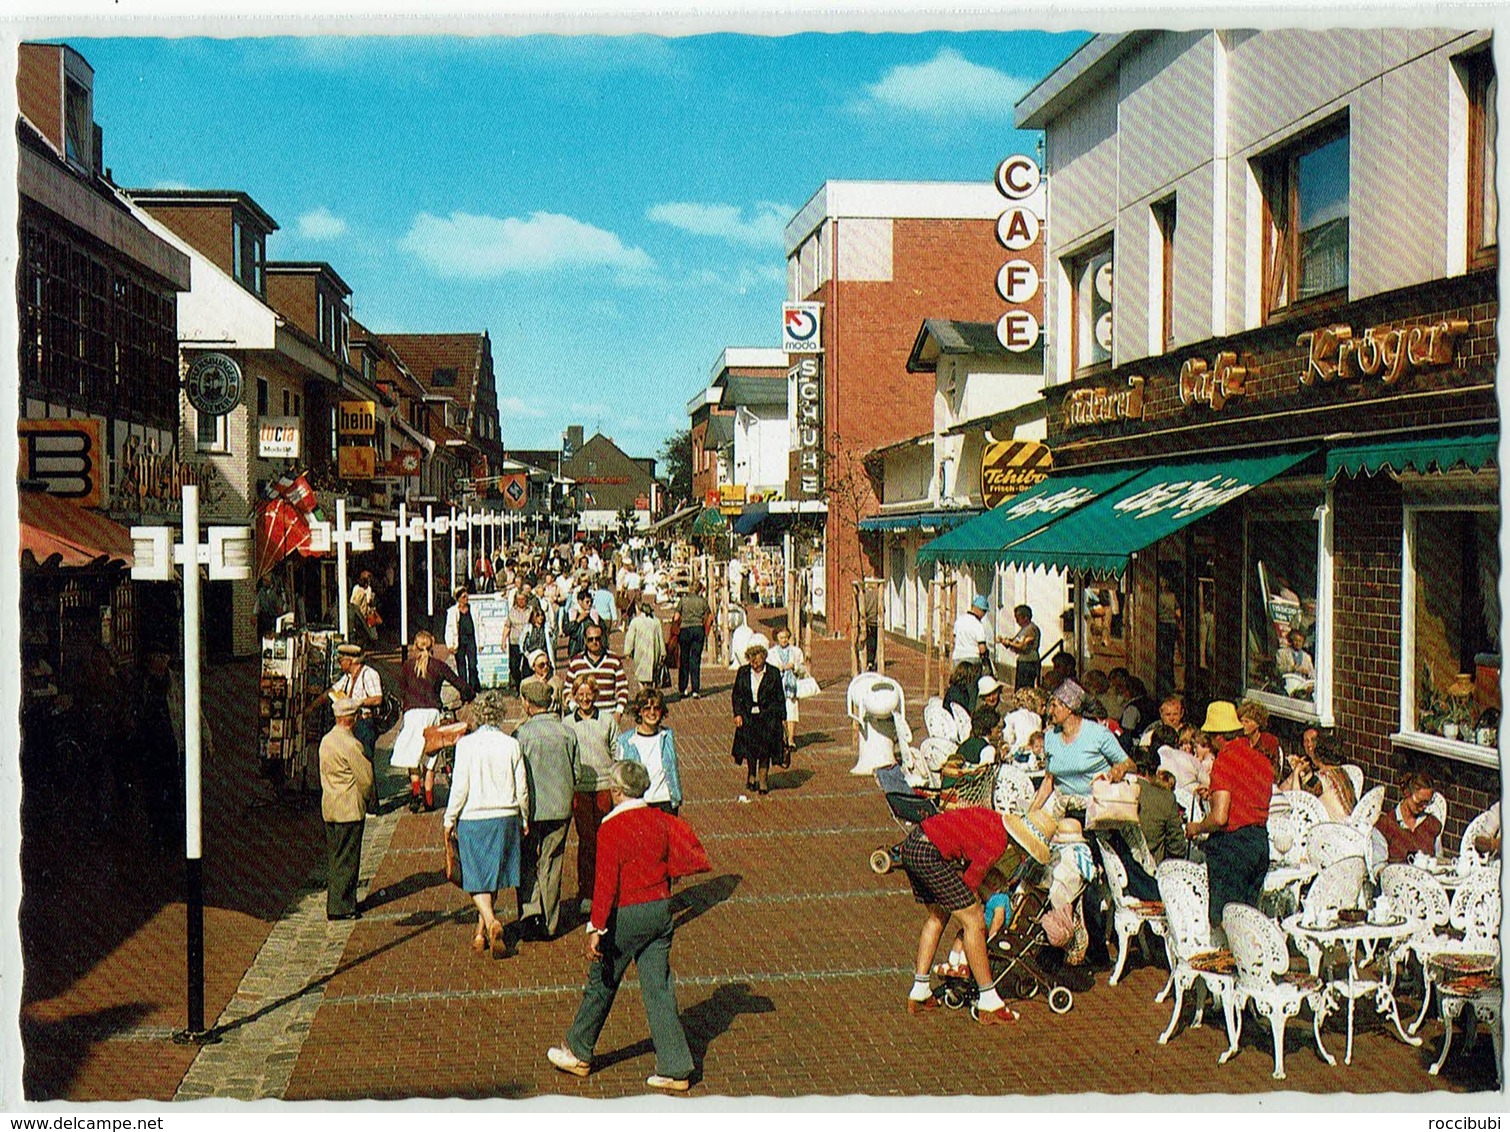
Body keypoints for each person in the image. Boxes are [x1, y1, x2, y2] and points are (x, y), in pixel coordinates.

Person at [546, 760, 705, 1093]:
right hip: (660, 909)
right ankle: (676, 1067)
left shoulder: (611, 827)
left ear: (617, 791)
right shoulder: (661, 820)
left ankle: (578, 1049)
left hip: (626, 914)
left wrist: (595, 928)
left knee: (602, 982)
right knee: (658, 989)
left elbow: (605, 884)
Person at [899, 805, 1018, 1024]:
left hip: (913, 844)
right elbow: (970, 881)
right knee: (974, 920)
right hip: (930, 854)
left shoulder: (990, 817)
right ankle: (988, 998)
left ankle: (920, 989)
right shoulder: (998, 843)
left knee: (938, 916)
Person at [444, 690, 529, 958]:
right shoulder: (511, 744)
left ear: (477, 715)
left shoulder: (466, 745)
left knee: (475, 877)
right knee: (492, 874)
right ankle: (480, 934)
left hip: (474, 816)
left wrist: (450, 818)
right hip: (505, 815)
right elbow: (522, 787)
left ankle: (491, 921)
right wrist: (524, 816)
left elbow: (460, 786)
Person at [1182, 701, 1273, 929]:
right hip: (1260, 841)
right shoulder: (1262, 760)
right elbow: (1248, 795)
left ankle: (1230, 962)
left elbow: (1220, 817)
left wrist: (1197, 827)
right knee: (1248, 918)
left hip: (1233, 846)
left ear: (1218, 736)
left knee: (1226, 920)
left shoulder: (1225, 761)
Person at [514, 680, 581, 940]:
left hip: (531, 809)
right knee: (552, 862)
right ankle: (550, 922)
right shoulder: (567, 733)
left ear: (528, 704)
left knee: (528, 860)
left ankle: (530, 913)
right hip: (560, 807)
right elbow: (576, 772)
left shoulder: (521, 735)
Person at [391, 630, 473, 813]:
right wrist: (468, 694)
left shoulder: (407, 666)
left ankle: (415, 793)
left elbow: (401, 689)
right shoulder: (438, 666)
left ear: (415, 646)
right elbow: (458, 682)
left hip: (412, 713)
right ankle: (429, 798)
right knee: (431, 755)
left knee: (413, 755)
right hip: (432, 713)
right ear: (433, 646)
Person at [1029, 680, 1136, 818]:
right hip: (1063, 810)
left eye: (1054, 706)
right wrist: (1030, 814)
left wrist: (1120, 768)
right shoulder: (1050, 737)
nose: (1050, 711)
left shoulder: (1098, 734)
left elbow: (1130, 764)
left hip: (1097, 810)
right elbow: (1049, 780)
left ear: (1069, 708)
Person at [567, 674, 618, 916]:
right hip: (579, 788)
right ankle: (586, 891)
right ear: (574, 696)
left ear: (596, 695)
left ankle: (608, 890)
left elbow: (617, 751)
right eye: (580, 694)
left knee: (606, 839)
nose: (585, 698)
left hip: (604, 786)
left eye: (589, 694)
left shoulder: (607, 720)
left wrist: (617, 783)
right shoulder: (567, 723)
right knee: (587, 841)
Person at [320, 695, 374, 921]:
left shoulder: (326, 741)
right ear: (351, 719)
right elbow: (366, 779)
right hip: (348, 808)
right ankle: (343, 906)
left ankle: (336, 900)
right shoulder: (351, 745)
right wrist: (366, 799)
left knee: (335, 857)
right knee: (348, 859)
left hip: (330, 805)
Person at [731, 635, 786, 796]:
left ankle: (763, 779)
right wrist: (738, 714)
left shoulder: (773, 673)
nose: (755, 663)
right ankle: (751, 774)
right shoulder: (743, 673)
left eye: (758, 660)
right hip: (748, 716)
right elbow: (737, 695)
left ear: (763, 657)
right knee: (750, 750)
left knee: (765, 750)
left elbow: (779, 697)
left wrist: (781, 718)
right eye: (751, 660)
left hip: (767, 718)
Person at [330, 644, 383, 811]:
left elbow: (377, 698)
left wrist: (357, 702)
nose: (339, 664)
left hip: (364, 723)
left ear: (351, 660)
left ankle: (373, 806)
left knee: (365, 760)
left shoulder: (369, 674)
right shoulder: (347, 677)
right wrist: (312, 706)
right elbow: (332, 691)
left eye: (341, 660)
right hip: (350, 724)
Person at [617, 687, 683, 814]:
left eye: (656, 708)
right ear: (640, 712)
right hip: (640, 802)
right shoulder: (626, 741)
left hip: (665, 801)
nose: (652, 712)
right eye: (647, 708)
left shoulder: (667, 735)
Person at [1277, 730, 1356, 821]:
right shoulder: (1340, 772)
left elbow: (1297, 802)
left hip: (1332, 829)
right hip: (1350, 825)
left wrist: (1296, 772)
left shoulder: (1321, 779)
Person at [566, 622, 630, 727]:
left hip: (608, 716)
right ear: (585, 641)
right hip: (583, 719)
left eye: (598, 638)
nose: (594, 642)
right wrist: (575, 709)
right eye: (590, 639)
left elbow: (623, 688)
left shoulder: (614, 660)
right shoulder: (576, 662)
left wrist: (619, 712)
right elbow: (567, 690)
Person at [1374, 772, 1443, 862]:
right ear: (1407, 793)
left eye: (1427, 803)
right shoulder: (1385, 826)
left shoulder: (1432, 825)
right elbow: (1378, 866)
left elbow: (1438, 860)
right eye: (1420, 802)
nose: (1424, 807)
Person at [769, 625, 807, 755]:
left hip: (791, 687)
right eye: (781, 637)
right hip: (778, 687)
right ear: (776, 638)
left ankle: (791, 739)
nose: (784, 640)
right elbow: (768, 670)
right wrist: (777, 668)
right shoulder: (771, 653)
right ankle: (781, 738)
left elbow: (803, 669)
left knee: (792, 711)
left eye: (786, 637)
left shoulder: (796, 652)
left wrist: (794, 666)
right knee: (780, 713)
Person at [675, 580, 710, 699]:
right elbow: (708, 616)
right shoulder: (702, 601)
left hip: (685, 629)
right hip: (698, 629)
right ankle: (695, 689)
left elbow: (676, 616)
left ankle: (683, 688)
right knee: (695, 659)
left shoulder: (683, 600)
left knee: (684, 659)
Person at [622, 600, 665, 691]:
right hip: (654, 651)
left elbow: (630, 638)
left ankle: (642, 692)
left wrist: (627, 651)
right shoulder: (656, 621)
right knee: (652, 674)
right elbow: (660, 637)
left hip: (640, 651)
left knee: (640, 674)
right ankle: (650, 693)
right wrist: (663, 652)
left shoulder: (635, 621)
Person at [444, 588, 480, 693]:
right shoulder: (452, 612)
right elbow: (449, 628)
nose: (466, 598)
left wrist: (481, 641)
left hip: (471, 640)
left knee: (473, 665)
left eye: (467, 596)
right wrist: (450, 644)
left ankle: (473, 688)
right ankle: (464, 690)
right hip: (459, 641)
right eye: (464, 597)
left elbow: (480, 625)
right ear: (458, 599)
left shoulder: (473, 609)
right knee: (461, 666)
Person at [1000, 604, 1041, 690]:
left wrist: (1010, 643)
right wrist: (1005, 641)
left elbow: (1023, 645)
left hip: (1029, 662)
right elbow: (1015, 642)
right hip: (1022, 661)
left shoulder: (1031, 629)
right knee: (1019, 689)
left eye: (1018, 618)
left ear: (1025, 617)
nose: (1017, 621)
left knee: (1026, 689)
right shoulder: (1023, 629)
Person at [1236, 700, 1282, 772]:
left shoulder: (1269, 741)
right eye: (1241, 721)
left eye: (1247, 722)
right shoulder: (1239, 741)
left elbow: (1272, 768)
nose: (1243, 725)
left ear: (1258, 723)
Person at [503, 587, 534, 695]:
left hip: (527, 643)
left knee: (527, 668)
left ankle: (525, 689)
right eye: (519, 599)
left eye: (523, 599)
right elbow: (507, 626)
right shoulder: (512, 611)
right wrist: (503, 641)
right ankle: (518, 684)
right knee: (513, 666)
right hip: (514, 642)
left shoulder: (531, 610)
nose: (521, 601)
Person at [519, 649, 565, 716]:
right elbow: (525, 708)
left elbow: (562, 706)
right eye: (541, 665)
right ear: (533, 667)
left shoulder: (557, 681)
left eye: (547, 664)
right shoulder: (526, 683)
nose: (545, 667)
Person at [951, 595, 991, 665]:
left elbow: (953, 639)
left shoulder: (959, 620)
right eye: (984, 611)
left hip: (957, 656)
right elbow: (982, 649)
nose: (984, 614)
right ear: (978, 609)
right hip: (972, 658)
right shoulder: (978, 625)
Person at [349, 570, 378, 646]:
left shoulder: (355, 588)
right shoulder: (368, 589)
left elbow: (351, 600)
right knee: (367, 628)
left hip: (355, 611)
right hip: (364, 612)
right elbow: (369, 601)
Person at [861, 581, 882, 671]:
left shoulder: (864, 595)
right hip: (875, 622)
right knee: (874, 643)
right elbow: (882, 608)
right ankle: (871, 661)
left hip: (866, 622)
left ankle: (865, 661)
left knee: (865, 642)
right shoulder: (878, 595)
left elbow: (861, 608)